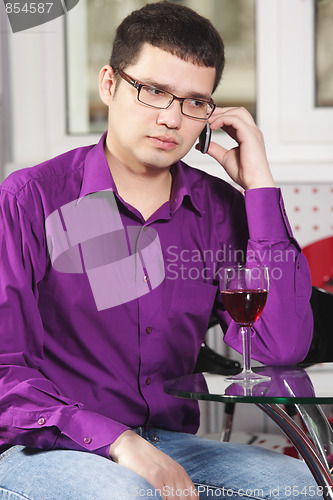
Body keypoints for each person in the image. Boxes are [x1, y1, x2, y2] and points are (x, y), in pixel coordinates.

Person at [0, 1, 321, 499]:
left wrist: (258, 185)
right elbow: (3, 370)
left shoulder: (220, 210)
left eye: (195, 101)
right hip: (46, 442)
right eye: (153, 91)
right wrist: (117, 441)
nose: (172, 119)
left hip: (170, 442)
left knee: (304, 487)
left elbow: (279, 347)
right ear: (109, 84)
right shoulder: (29, 199)